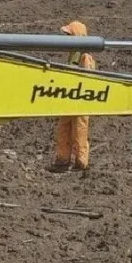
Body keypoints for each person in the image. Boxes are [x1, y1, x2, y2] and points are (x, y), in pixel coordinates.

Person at [51, 20, 97, 172]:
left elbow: (88, 78)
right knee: (64, 127)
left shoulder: (85, 57)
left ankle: (81, 160)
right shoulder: (74, 54)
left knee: (79, 129)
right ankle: (62, 158)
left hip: (81, 98)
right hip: (70, 96)